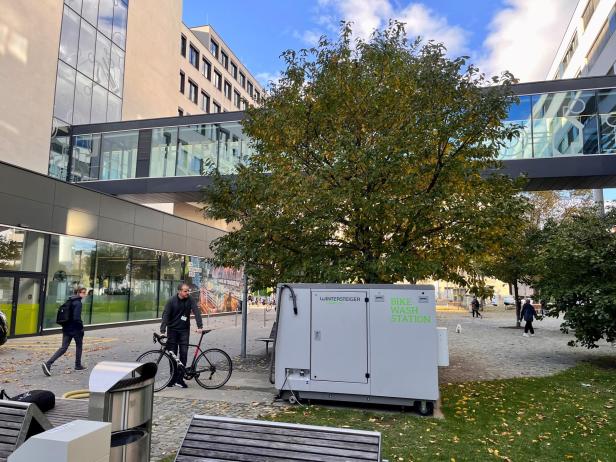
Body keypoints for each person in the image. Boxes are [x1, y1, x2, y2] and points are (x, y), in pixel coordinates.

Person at [160, 283, 203, 388]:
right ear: (179, 291)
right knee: (172, 355)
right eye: (185, 291)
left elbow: (196, 311)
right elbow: (165, 315)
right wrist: (162, 330)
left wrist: (200, 325)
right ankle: (172, 378)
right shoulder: (171, 301)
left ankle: (179, 379)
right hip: (172, 331)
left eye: (188, 290)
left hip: (184, 331)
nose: (187, 292)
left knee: (183, 354)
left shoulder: (190, 300)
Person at [42, 287, 87, 376]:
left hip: (66, 328)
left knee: (63, 348)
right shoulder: (78, 303)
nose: (85, 294)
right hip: (75, 329)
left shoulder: (69, 301)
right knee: (79, 346)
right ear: (78, 293)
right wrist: (81, 328)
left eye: (85, 293)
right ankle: (78, 365)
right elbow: (76, 318)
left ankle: (48, 363)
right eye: (83, 292)